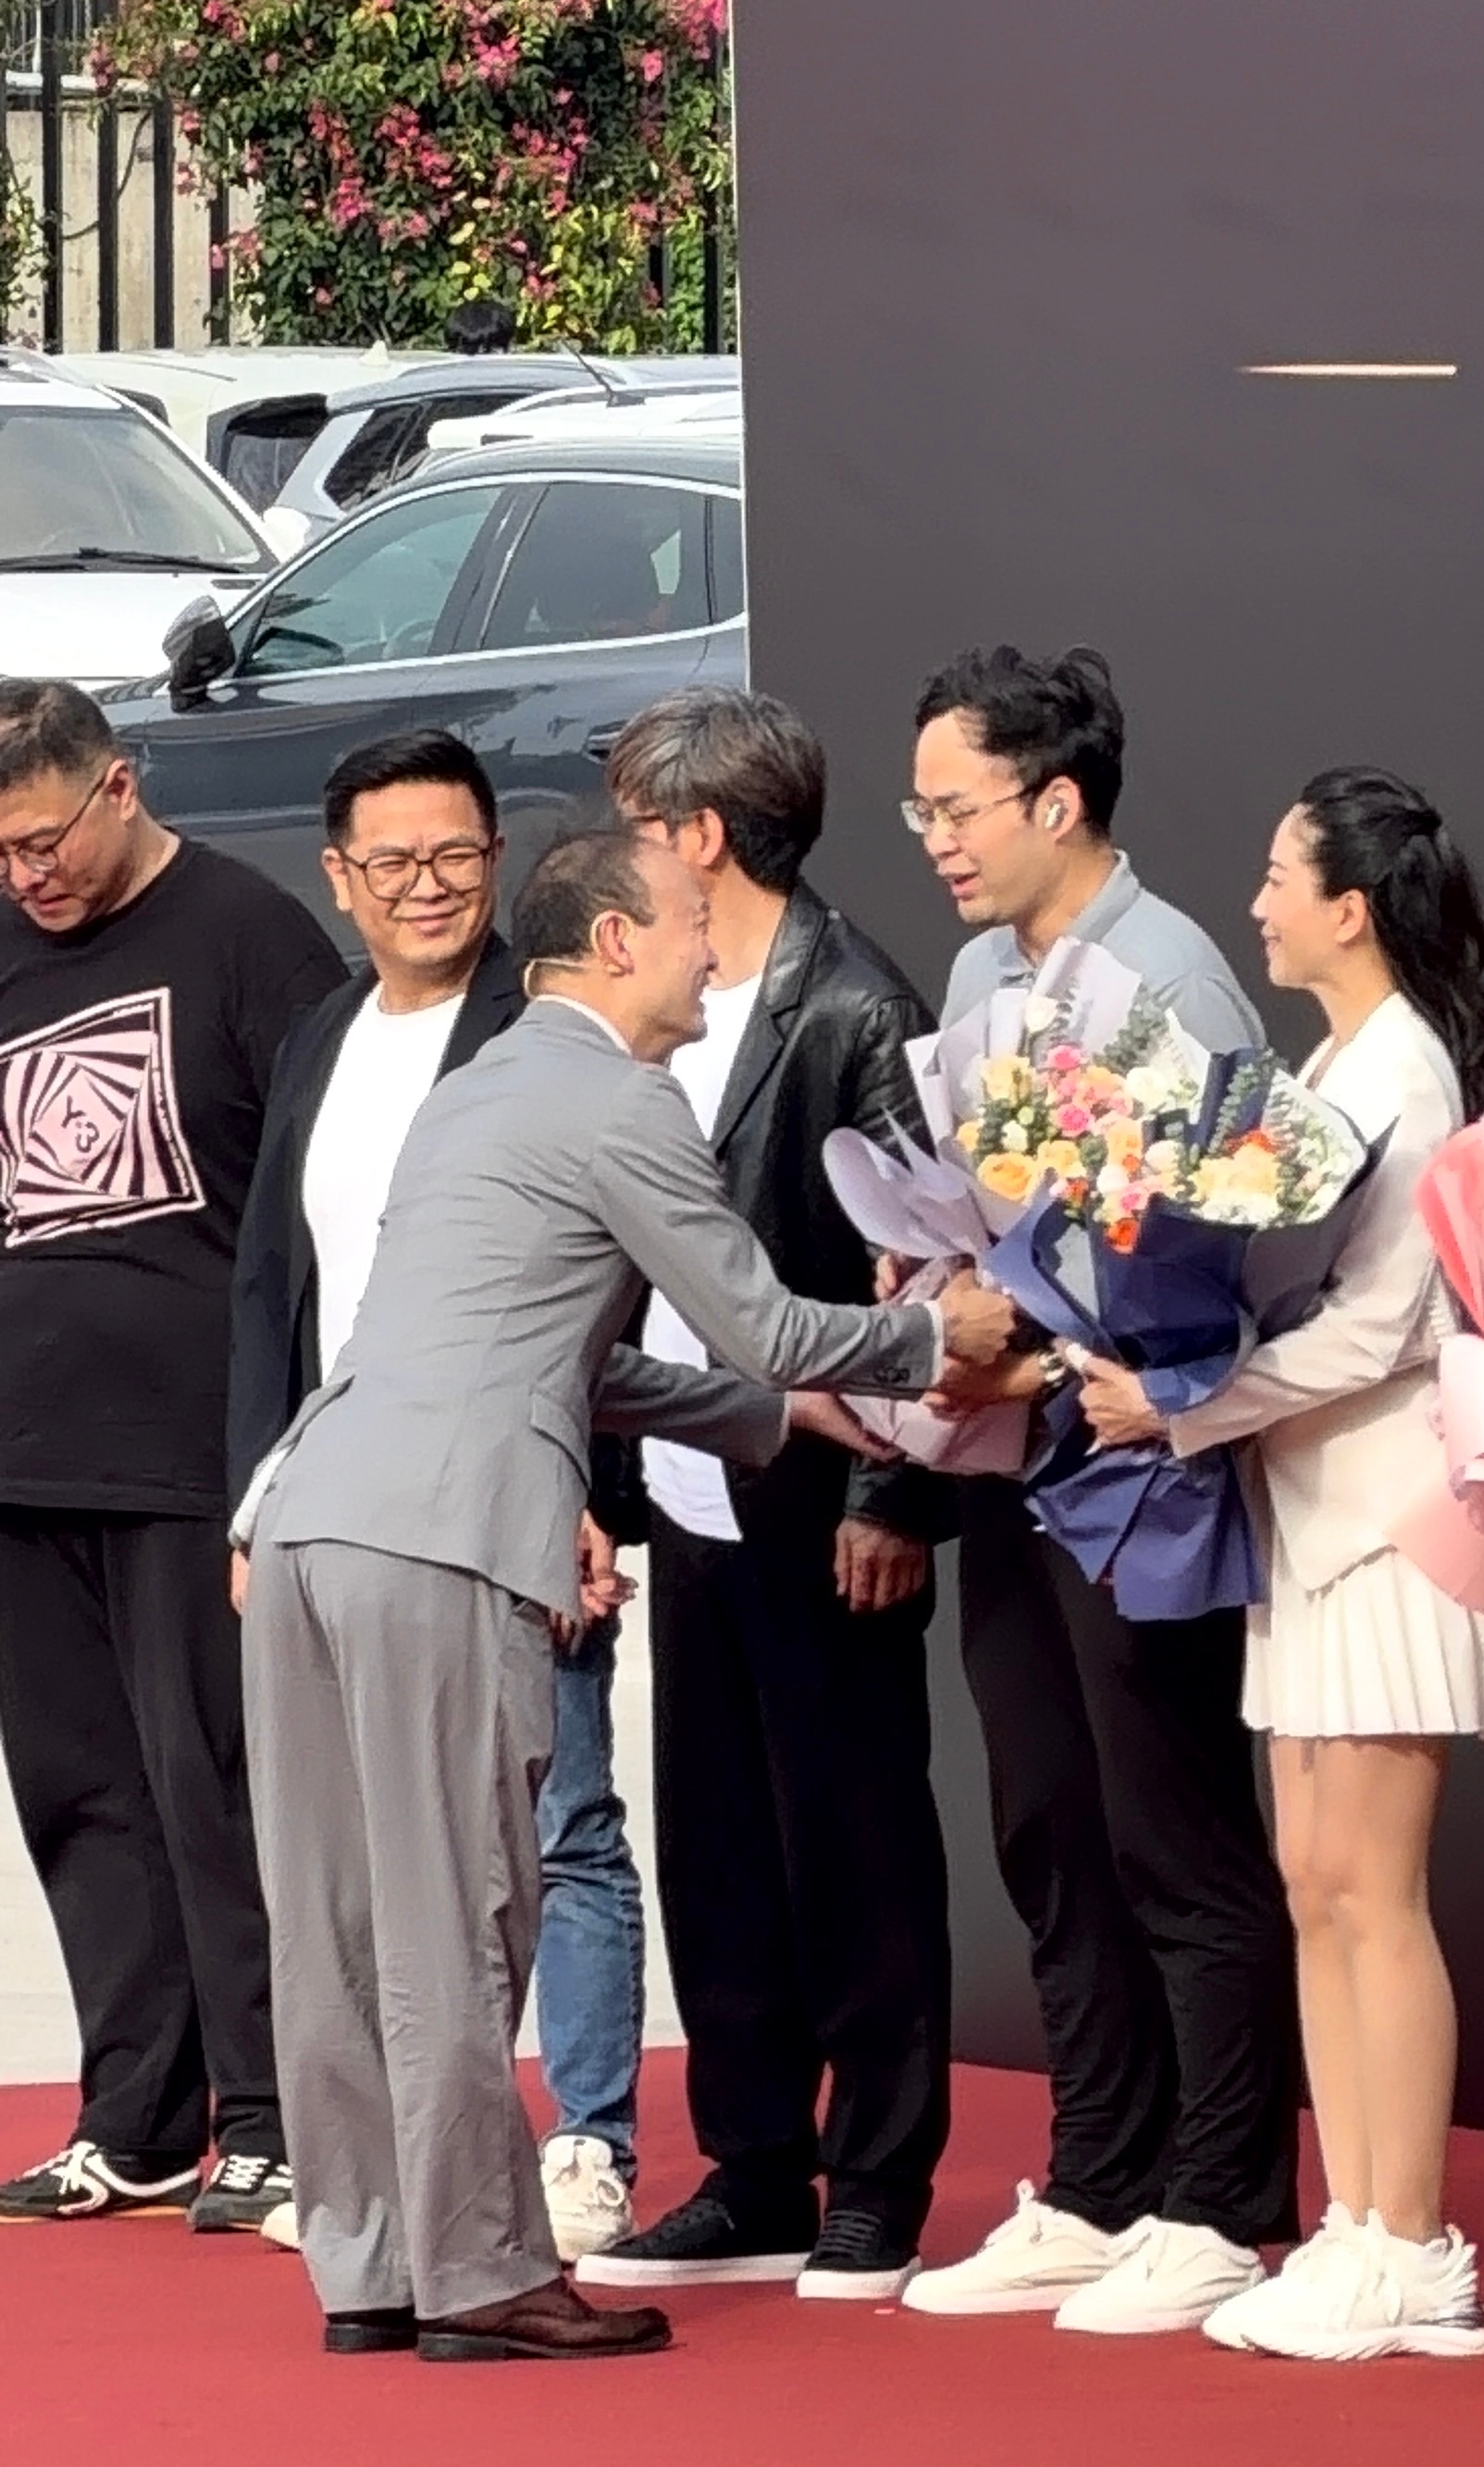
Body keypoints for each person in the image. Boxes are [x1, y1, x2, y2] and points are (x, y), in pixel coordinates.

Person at [233, 824, 1015, 2362]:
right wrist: (941, 1340)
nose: (711, 956)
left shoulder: (481, 1090)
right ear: (610, 943)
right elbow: (765, 1320)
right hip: (442, 1538)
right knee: (454, 1914)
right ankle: (478, 2274)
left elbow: (556, 1352)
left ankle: (372, 2268)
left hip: (312, 1517)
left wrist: (771, 1417)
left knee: (332, 1923)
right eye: (686, 929)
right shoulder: (621, 1097)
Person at [1075, 768, 1484, 2361]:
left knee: (1373, 1889)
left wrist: (1184, 1405)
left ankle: (1417, 2246)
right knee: (1312, 1884)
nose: (1259, 903)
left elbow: (1384, 1327)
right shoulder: (1326, 1067)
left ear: (1352, 906)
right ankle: (1356, 2222)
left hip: (1391, 1519)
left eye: (1282, 879)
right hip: (1306, 1513)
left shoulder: (1406, 1071)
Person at [896, 644, 1301, 2337]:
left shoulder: (1171, 979)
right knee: (1049, 1824)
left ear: (1057, 802)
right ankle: (1097, 2176)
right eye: (921, 811)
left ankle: (1227, 2197)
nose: (936, 838)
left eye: (958, 807)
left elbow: (1230, 1252)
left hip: (1141, 1462)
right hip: (1018, 1459)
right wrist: (946, 1300)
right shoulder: (980, 968)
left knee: (1174, 1834)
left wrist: (1054, 1353)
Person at [228, 726, 650, 2267]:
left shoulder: (545, 1033)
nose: (426, 886)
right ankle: (402, 2199)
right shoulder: (320, 1038)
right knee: (358, 1881)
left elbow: (609, 1294)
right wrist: (256, 1500)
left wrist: (590, 1492)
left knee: (555, 1826)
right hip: (340, 1507)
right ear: (340, 879)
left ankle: (587, 2140)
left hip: (508, 1494)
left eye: (456, 855)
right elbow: (272, 1286)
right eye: (393, 861)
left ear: (499, 861)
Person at [576, 693, 955, 2304]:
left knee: (854, 1843)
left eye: (633, 819)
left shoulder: (855, 1004)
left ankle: (876, 2179)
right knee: (718, 1844)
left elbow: (927, 1265)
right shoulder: (646, 996)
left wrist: (890, 1491)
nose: (616, 847)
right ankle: (750, 2170)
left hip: (823, 1495)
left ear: (701, 834)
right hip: (690, 1485)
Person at [0, 679, 346, 2230]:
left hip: (197, 1446)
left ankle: (272, 2113)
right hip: (27, 1445)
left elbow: (324, 1199)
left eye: (42, 841)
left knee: (218, 1790)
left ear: (119, 786)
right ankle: (134, 2116)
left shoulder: (251, 938)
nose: (27, 877)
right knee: (79, 1792)